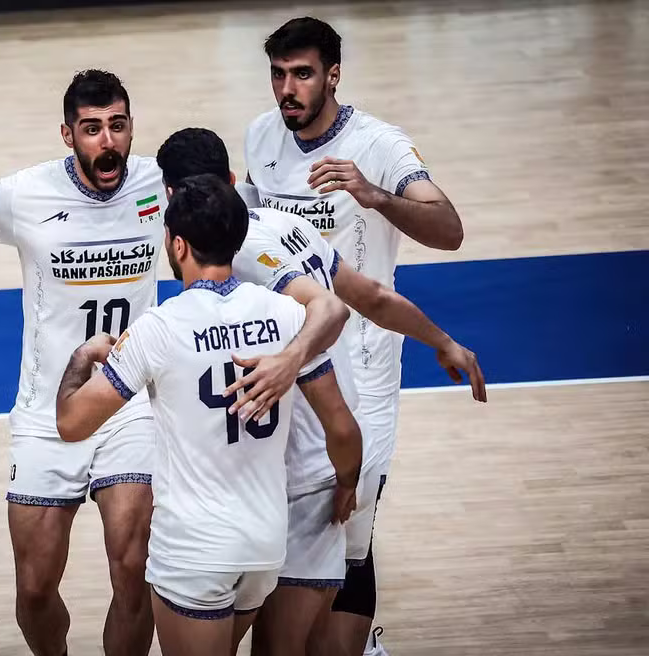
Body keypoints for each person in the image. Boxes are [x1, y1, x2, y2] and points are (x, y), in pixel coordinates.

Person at [0, 70, 347, 655]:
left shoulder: (159, 185)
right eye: (92, 129)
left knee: (133, 569)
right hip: (46, 412)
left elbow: (228, 213)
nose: (107, 140)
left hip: (130, 407)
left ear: (132, 127)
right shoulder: (20, 195)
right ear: (68, 135)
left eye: (117, 125)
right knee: (34, 588)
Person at [157, 127, 485, 655]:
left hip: (300, 471)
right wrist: (442, 340)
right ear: (233, 180)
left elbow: (332, 309)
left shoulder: (238, 255)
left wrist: (289, 361)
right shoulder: (286, 225)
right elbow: (372, 296)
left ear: (172, 198)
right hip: (335, 453)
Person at [55, 174, 362, 656]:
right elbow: (341, 426)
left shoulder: (159, 328)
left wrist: (80, 358)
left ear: (178, 245)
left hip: (193, 550)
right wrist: (347, 483)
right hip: (264, 545)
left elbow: (72, 424)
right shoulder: (287, 315)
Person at [245, 17, 469, 655]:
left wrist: (373, 194)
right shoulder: (261, 136)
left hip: (364, 369)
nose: (287, 89)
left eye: (302, 74)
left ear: (333, 76)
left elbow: (449, 229)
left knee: (349, 527)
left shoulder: (379, 144)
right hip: (292, 364)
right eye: (279, 75)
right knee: (295, 523)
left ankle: (360, 644)